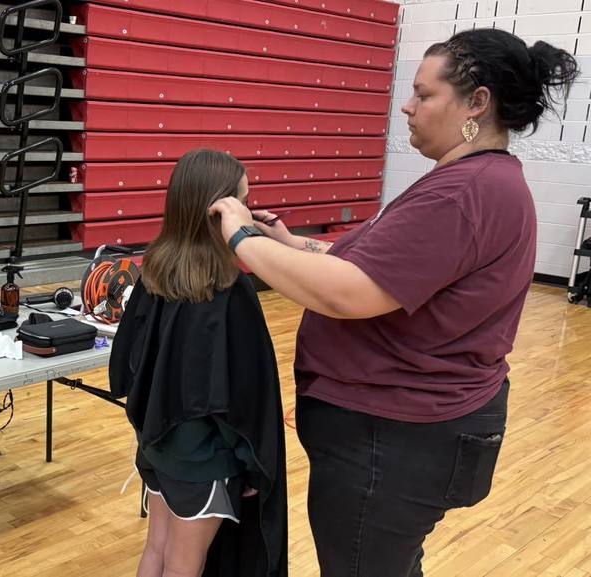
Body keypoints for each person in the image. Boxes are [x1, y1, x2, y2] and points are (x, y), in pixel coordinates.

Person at [208, 29, 579, 576]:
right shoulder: (467, 181)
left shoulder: (465, 191)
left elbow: (346, 292)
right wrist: (290, 243)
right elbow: (376, 264)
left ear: (477, 103)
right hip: (401, 433)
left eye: (424, 95)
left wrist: (243, 238)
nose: (406, 106)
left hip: (395, 440)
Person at [110, 149, 287, 577]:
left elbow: (131, 364)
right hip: (203, 458)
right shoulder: (228, 291)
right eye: (244, 198)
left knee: (157, 549)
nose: (249, 206)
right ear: (221, 210)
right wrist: (249, 464)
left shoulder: (155, 271)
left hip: (157, 444)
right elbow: (239, 398)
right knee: (184, 566)